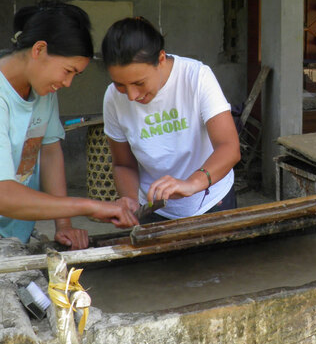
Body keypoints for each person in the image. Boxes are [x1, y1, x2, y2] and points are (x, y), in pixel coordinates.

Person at [0, 0, 135, 253]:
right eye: (67, 71)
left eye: (75, 75)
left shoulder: (42, 89)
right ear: (39, 50)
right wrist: (90, 206)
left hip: (16, 235)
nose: (68, 83)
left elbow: (50, 151)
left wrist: (64, 224)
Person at [101, 16, 241, 224]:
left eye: (139, 83)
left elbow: (229, 147)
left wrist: (192, 183)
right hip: (153, 209)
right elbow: (123, 164)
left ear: (161, 59)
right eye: (120, 84)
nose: (131, 95)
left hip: (211, 200)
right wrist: (129, 201)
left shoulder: (197, 77)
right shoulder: (113, 98)